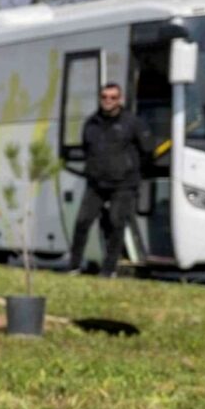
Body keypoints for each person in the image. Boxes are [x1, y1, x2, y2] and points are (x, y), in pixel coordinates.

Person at [62, 81, 157, 276]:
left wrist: (133, 171)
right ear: (100, 98)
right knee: (82, 222)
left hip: (123, 184)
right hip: (96, 183)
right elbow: (87, 149)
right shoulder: (91, 123)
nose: (108, 101)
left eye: (113, 97)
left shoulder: (132, 122)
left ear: (119, 99)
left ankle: (109, 268)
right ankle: (74, 265)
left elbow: (148, 149)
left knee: (116, 223)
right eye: (104, 97)